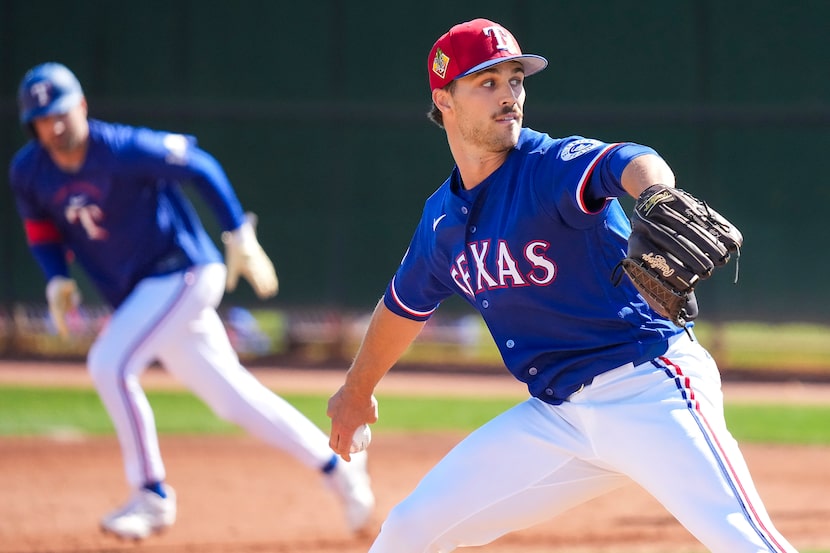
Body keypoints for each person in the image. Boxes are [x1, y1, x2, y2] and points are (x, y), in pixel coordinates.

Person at [326, 18, 798, 553]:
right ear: (445, 100)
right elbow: (403, 305)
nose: (509, 96)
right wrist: (356, 391)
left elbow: (628, 160)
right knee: (410, 530)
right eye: (488, 83)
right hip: (558, 417)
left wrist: (655, 195)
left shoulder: (547, 165)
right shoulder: (442, 219)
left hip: (650, 388)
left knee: (747, 542)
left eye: (515, 80)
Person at [10, 62, 374, 540]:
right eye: (42, 119)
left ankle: (152, 495)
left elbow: (198, 164)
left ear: (81, 106)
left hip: (184, 271)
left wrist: (239, 233)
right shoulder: (30, 170)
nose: (53, 127)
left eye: (60, 113)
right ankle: (342, 470)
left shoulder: (122, 148)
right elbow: (40, 229)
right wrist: (57, 278)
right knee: (234, 400)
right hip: (144, 294)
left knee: (109, 364)